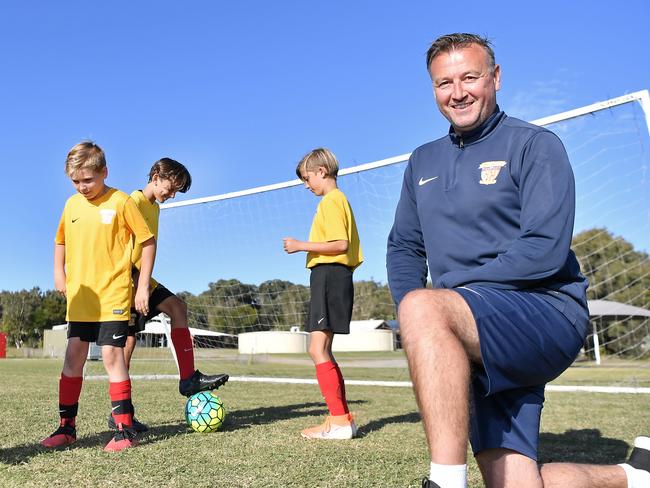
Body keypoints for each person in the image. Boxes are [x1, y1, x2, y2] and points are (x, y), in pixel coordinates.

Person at [386, 33, 650, 488]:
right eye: (443, 83)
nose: (458, 92)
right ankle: (634, 476)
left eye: (470, 77)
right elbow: (404, 247)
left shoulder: (535, 145)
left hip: (543, 311)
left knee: (424, 306)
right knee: (514, 482)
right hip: (470, 325)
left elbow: (544, 247)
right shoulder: (421, 161)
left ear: (496, 77)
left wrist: (435, 306)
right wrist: (419, 314)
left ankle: (444, 482)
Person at [41, 141, 156, 452]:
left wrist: (142, 285)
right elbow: (60, 240)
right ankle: (66, 428)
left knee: (111, 356)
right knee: (73, 357)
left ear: (104, 172)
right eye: (76, 181)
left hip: (114, 294)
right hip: (81, 295)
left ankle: (124, 429)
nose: (82, 187)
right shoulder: (71, 205)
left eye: (88, 180)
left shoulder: (120, 202)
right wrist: (58, 272)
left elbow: (147, 242)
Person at [109, 158, 230, 432]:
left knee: (178, 308)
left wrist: (144, 284)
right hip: (126, 281)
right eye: (170, 187)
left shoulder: (154, 208)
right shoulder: (134, 202)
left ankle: (188, 378)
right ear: (155, 176)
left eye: (176, 191)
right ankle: (119, 414)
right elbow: (122, 250)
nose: (171, 195)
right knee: (126, 344)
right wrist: (138, 288)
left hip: (143, 280)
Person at [283, 147, 363, 439]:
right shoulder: (336, 201)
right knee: (322, 349)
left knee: (317, 349)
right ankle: (341, 419)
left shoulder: (332, 201)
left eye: (307, 178)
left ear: (321, 171)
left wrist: (300, 245)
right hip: (331, 277)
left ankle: (340, 422)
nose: (307, 185)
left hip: (329, 275)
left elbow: (340, 244)